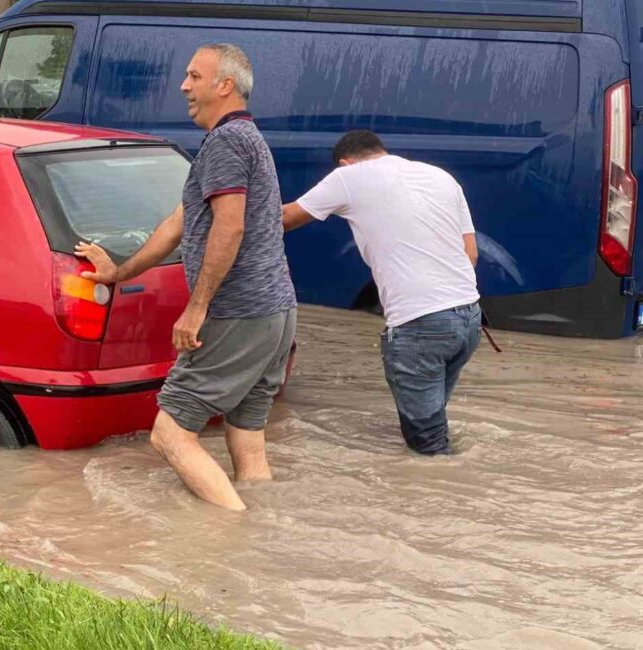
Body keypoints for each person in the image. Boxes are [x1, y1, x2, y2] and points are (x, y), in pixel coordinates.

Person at [77, 44, 297, 510]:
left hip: (237, 313)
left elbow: (230, 224)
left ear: (225, 86)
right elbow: (176, 225)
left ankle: (228, 534)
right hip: (275, 314)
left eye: (194, 76)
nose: (183, 86)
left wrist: (195, 309)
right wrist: (118, 272)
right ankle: (264, 537)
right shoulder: (245, 140)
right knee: (247, 436)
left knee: (169, 435)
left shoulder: (226, 143)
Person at [282, 130, 480, 455]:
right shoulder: (440, 177)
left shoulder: (348, 177)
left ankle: (439, 497)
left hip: (418, 326)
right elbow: (469, 253)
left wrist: (223, 219)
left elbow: (286, 218)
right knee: (432, 420)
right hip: (468, 319)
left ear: (345, 163)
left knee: (428, 449)